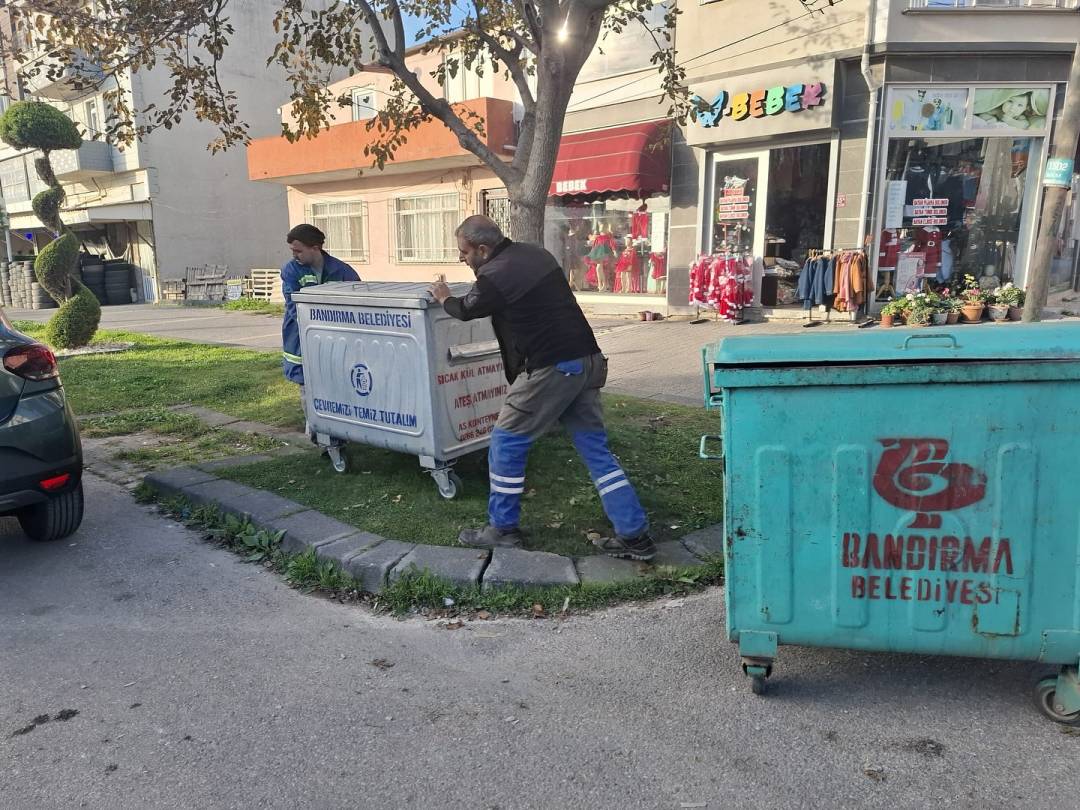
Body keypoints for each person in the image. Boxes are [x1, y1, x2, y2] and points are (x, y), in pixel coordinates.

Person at [429, 215, 656, 561]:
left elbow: (467, 308)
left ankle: (502, 529)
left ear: (483, 249)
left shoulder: (495, 274)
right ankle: (635, 535)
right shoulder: (535, 253)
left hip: (551, 367)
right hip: (587, 359)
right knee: (595, 450)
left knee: (506, 442)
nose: (461, 258)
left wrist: (444, 296)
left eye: (464, 252)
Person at [280, 224, 360, 425]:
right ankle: (315, 429)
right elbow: (294, 306)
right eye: (292, 251)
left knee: (336, 384)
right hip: (301, 342)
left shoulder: (342, 271)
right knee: (308, 387)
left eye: (298, 251)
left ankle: (338, 428)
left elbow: (358, 304)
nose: (294, 255)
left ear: (315, 248)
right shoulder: (291, 270)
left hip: (337, 342)